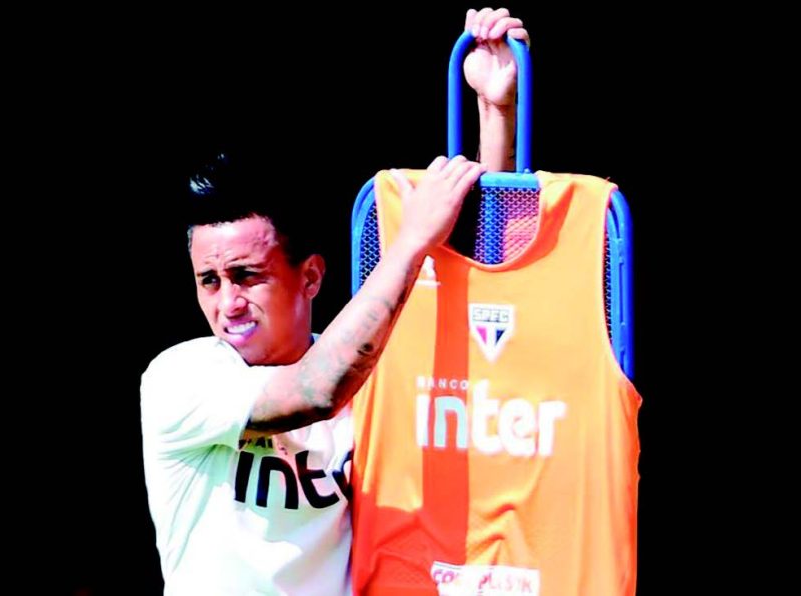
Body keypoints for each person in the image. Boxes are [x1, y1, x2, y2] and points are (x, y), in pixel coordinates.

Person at [140, 8, 529, 595]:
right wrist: (411, 241)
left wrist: (496, 110)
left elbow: (481, 284)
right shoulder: (181, 377)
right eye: (209, 281)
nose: (229, 303)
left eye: (247, 276)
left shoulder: (367, 373)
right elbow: (318, 391)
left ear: (311, 278)